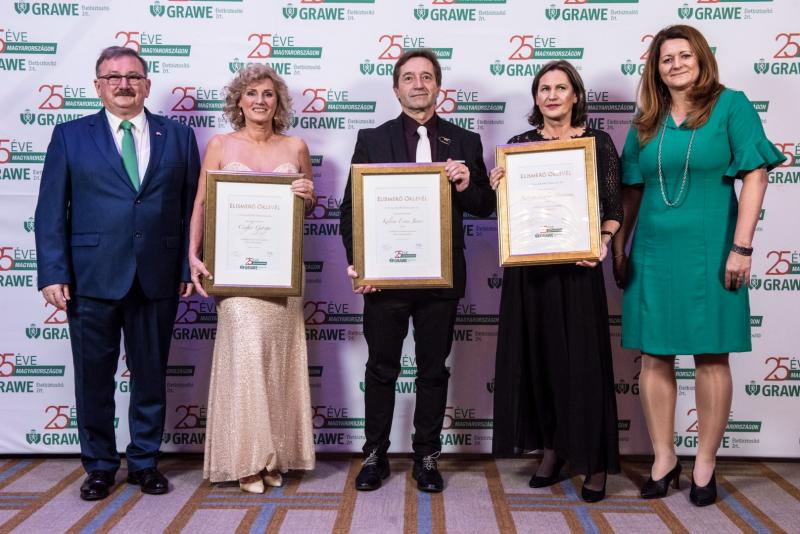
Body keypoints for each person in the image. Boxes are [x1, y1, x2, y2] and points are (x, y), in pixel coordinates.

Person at [611, 25, 785, 506]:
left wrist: (742, 247)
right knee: (654, 356)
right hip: (652, 251)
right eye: (666, 58)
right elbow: (631, 190)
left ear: (701, 58)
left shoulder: (732, 105)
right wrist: (621, 248)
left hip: (714, 248)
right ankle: (664, 459)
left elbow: (755, 174)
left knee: (711, 356)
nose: (676, 64)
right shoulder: (646, 119)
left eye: (684, 55)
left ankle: (705, 463)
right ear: (656, 68)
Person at [34, 46, 200, 500]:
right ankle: (100, 466)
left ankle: (144, 462)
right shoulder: (70, 136)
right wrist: (52, 272)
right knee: (94, 379)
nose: (123, 84)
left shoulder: (178, 136)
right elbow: (50, 210)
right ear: (98, 86)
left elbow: (192, 209)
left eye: (132, 76)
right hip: (90, 279)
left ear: (147, 84)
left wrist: (186, 265)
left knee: (150, 376)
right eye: (113, 77)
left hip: (157, 276)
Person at [339, 49, 495, 493]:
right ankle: (374, 455)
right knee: (381, 368)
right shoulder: (372, 139)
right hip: (384, 278)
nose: (419, 84)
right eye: (409, 77)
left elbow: (484, 206)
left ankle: (426, 457)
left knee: (432, 369)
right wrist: (359, 262)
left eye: (427, 76)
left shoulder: (465, 141)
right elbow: (351, 209)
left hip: (441, 277)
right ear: (396, 89)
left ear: (438, 87)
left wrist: (467, 183)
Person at [490, 60, 622, 503]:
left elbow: (614, 208)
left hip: (579, 270)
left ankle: (595, 461)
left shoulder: (597, 143)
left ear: (575, 95)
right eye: (543, 89)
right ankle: (552, 450)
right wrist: (499, 187)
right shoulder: (518, 146)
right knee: (539, 363)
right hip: (530, 273)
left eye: (560, 88)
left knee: (583, 366)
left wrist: (603, 241)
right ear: (536, 98)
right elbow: (509, 214)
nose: (551, 95)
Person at [188, 64, 316, 494]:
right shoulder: (220, 145)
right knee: (244, 361)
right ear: (238, 101)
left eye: (268, 94)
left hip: (283, 273)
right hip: (235, 273)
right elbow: (202, 203)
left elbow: (308, 204)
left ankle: (273, 455)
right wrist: (193, 255)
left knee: (278, 363)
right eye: (252, 93)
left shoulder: (296, 146)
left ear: (278, 102)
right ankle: (246, 459)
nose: (260, 101)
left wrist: (307, 196)